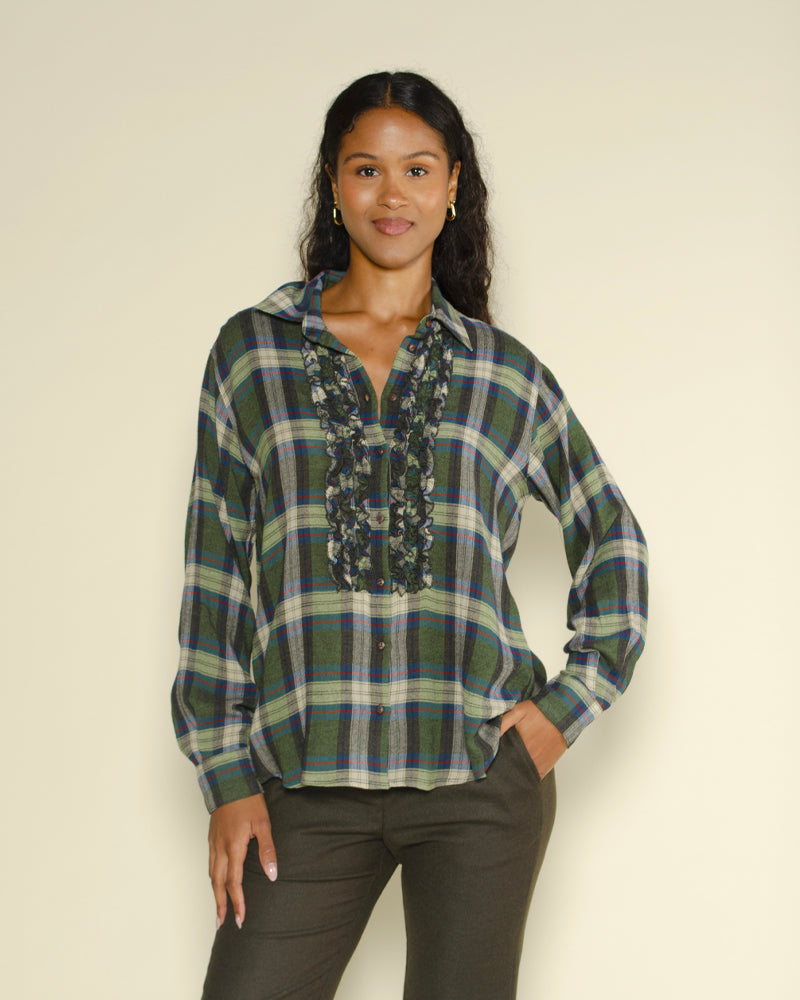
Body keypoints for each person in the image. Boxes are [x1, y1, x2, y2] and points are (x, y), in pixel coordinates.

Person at [172, 70, 648, 1000]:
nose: (392, 195)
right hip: (304, 780)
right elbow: (215, 568)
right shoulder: (253, 352)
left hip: (477, 783)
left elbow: (611, 536)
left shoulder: (504, 375)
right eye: (367, 169)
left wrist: (565, 708)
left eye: (418, 169)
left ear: (453, 185)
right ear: (334, 183)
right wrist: (226, 776)